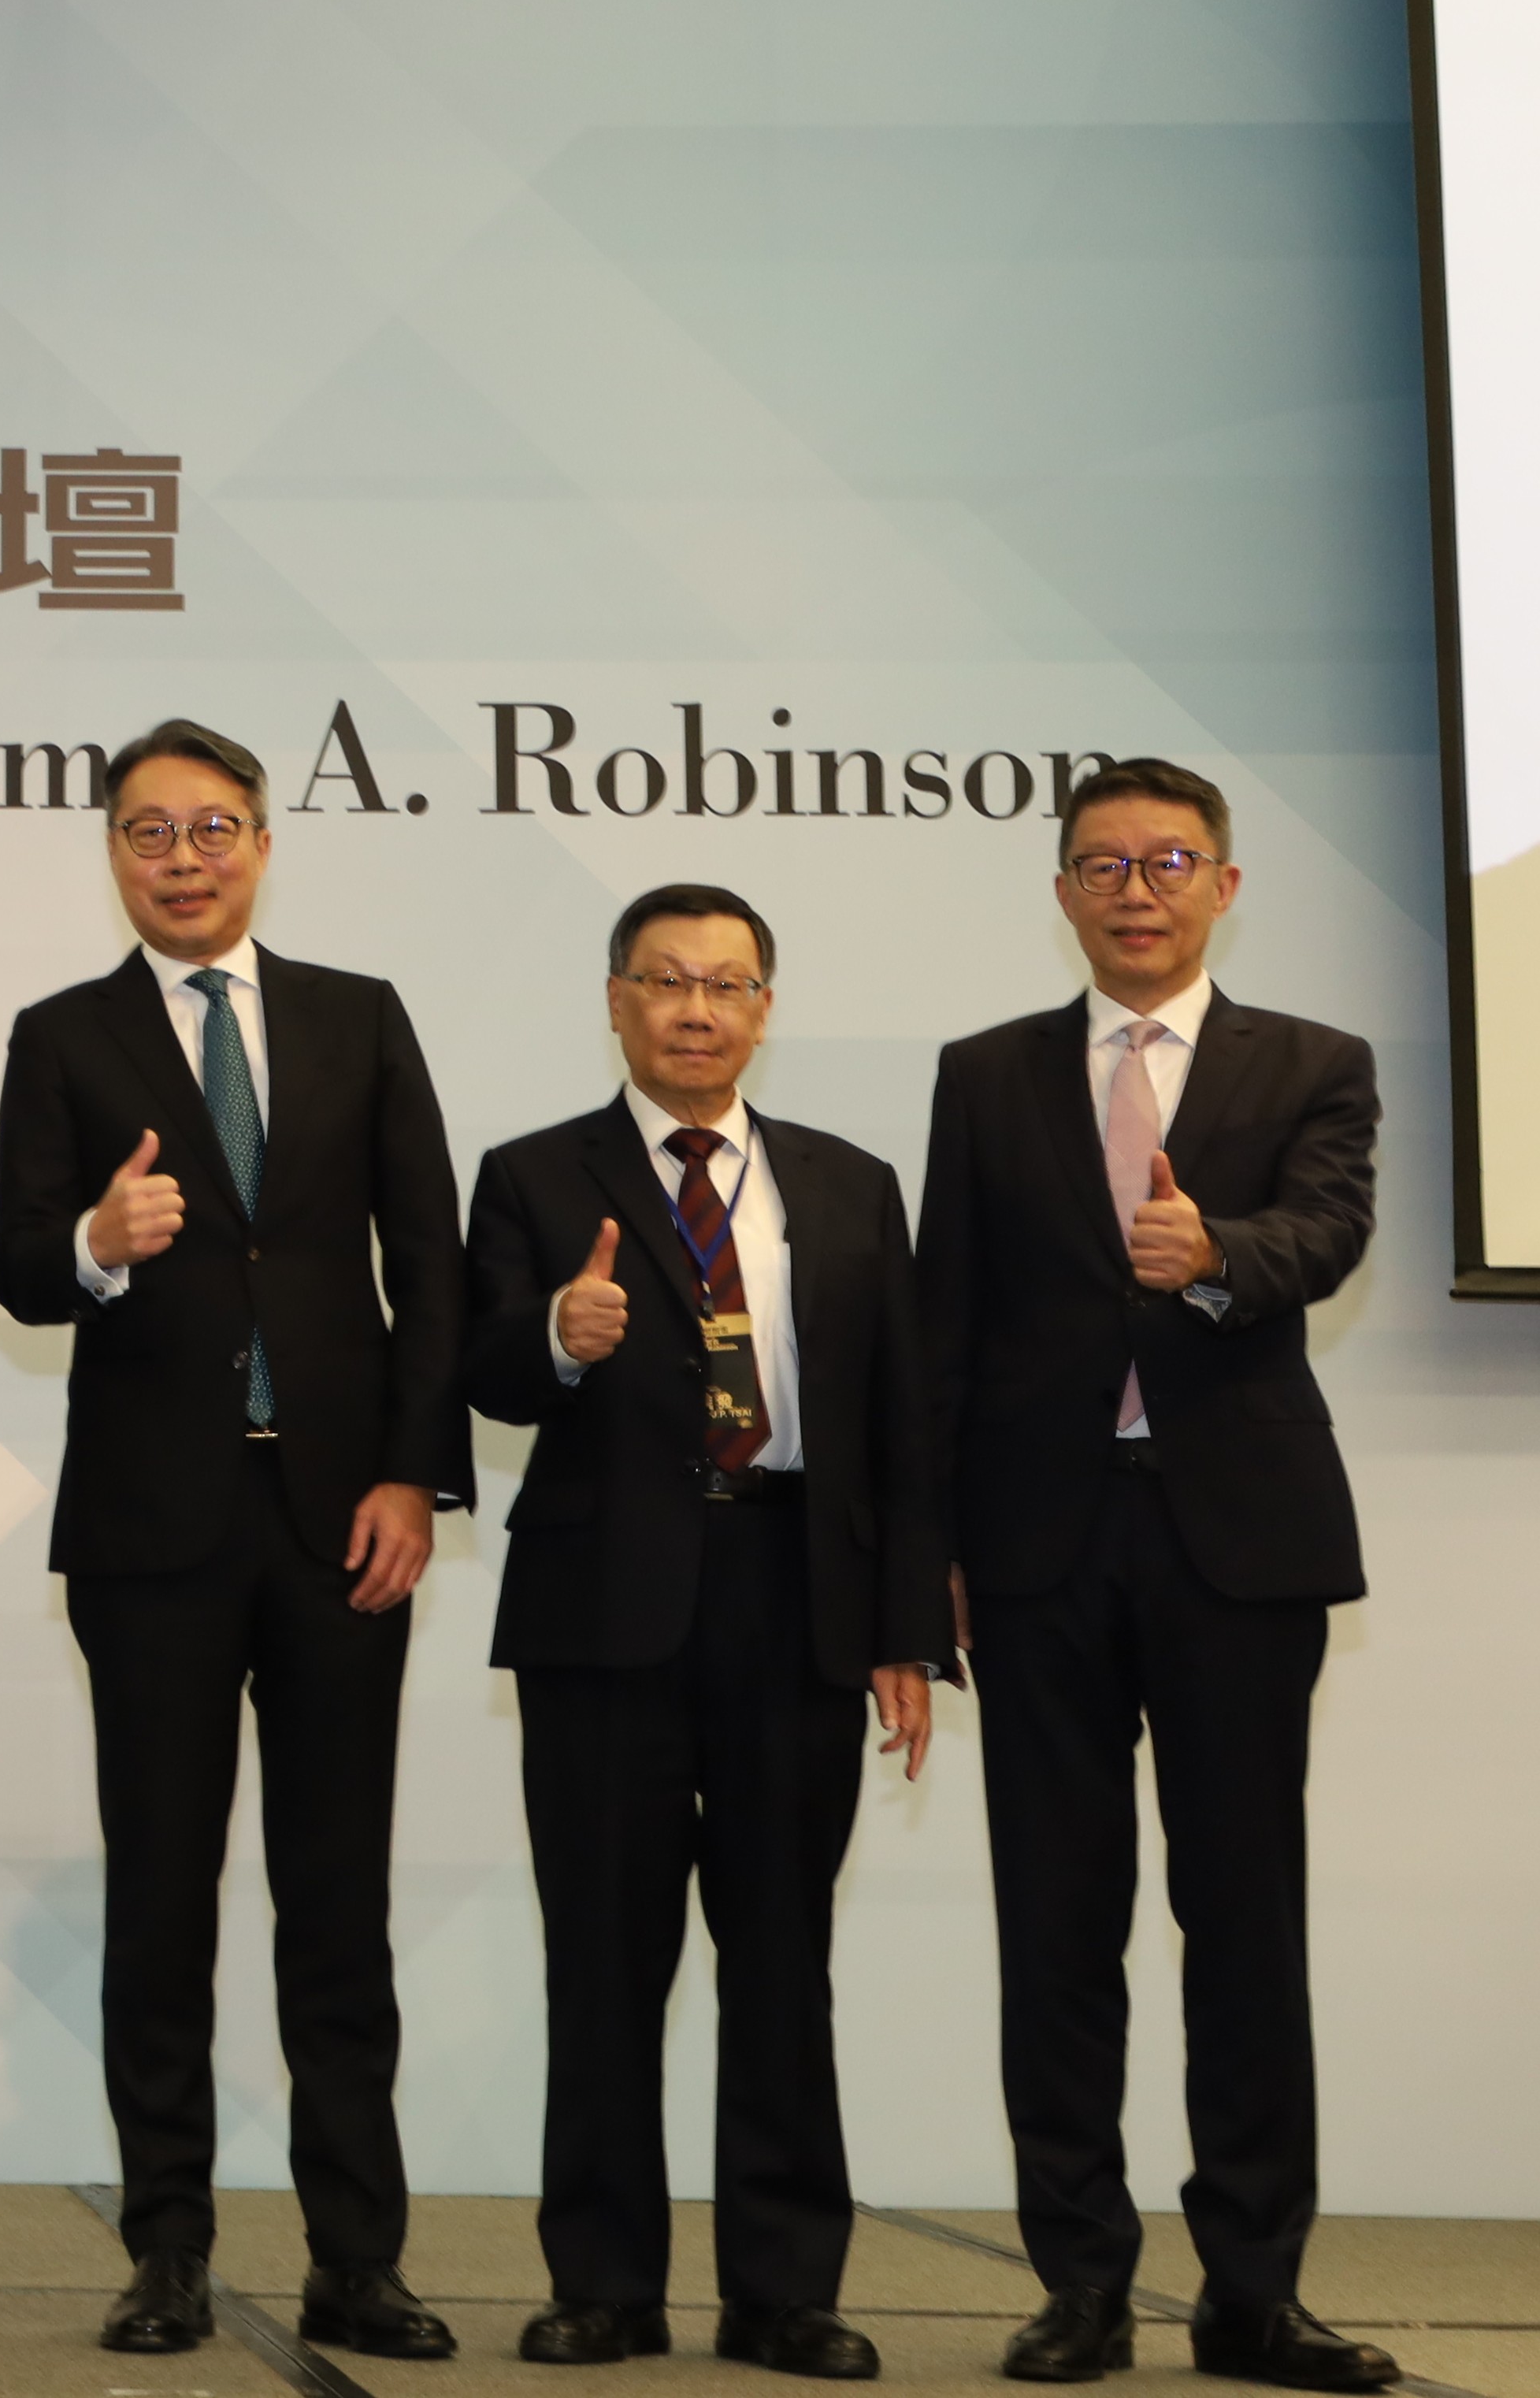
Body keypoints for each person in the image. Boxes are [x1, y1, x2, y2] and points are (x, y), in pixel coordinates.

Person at [0, 718, 467, 2365]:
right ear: (112, 853)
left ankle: (359, 2259)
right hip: (152, 1532)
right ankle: (167, 2250)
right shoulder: (61, 1035)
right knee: (162, 1902)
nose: (181, 857)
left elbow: (436, 1268)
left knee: (338, 1905)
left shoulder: (359, 1018)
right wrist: (96, 1243)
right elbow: (21, 1278)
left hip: (345, 1527)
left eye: (211, 828)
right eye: (147, 832)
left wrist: (416, 1479)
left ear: (262, 841)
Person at [918, 761, 1390, 2392]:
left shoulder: (1314, 1064)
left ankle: (1255, 2290)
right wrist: (939, 1561)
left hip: (1236, 1547)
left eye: (1168, 860)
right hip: (1040, 1547)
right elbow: (944, 1330)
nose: (1136, 887)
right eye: (1102, 864)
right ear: (1061, 892)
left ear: (1226, 884)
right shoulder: (984, 1078)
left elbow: (1327, 1232)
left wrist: (1221, 1261)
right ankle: (1083, 2287)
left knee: (1243, 1923)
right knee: (1058, 1926)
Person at [461, 886, 950, 2378]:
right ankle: (603, 2285)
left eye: (726, 985)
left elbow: (899, 1417)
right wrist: (559, 1336)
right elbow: (480, 1370)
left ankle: (785, 2290)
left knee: (784, 1956)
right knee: (602, 1960)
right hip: (604, 1609)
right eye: (665, 982)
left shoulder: (850, 1183)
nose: (695, 1010)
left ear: (763, 1008)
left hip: (798, 1596)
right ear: (616, 999)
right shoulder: (536, 1175)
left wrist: (906, 1626)